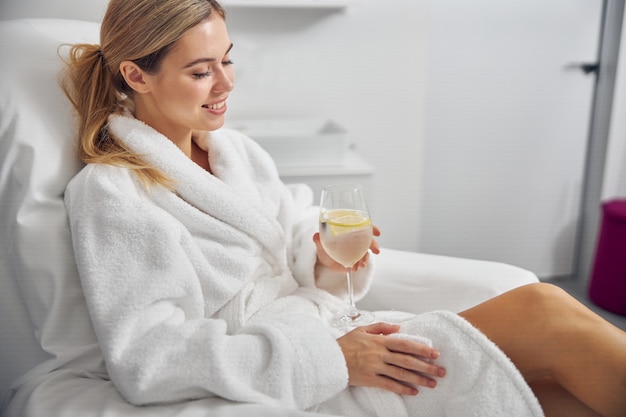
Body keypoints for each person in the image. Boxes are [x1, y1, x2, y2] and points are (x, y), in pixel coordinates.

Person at [60, 0, 626, 416]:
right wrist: (331, 359)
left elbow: (289, 231)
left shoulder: (236, 153)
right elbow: (149, 358)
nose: (225, 84)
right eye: (201, 71)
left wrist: (322, 254)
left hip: (334, 333)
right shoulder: (113, 192)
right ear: (136, 75)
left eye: (227, 61)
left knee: (560, 395)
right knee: (545, 313)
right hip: (305, 369)